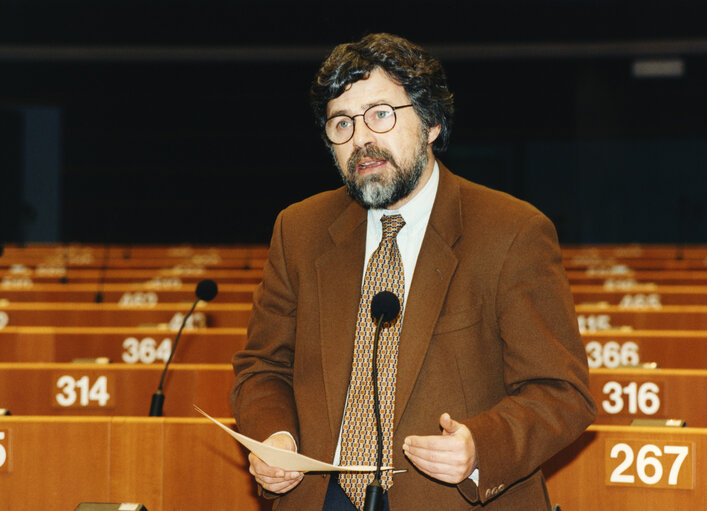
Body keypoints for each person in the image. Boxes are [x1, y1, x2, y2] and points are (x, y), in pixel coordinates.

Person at [231, 33, 596, 510]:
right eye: (341, 123)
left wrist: (479, 447)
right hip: (322, 495)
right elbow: (263, 366)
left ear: (431, 124)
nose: (361, 139)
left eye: (381, 114)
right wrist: (274, 438)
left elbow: (562, 392)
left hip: (449, 499)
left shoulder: (512, 232)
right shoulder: (299, 229)